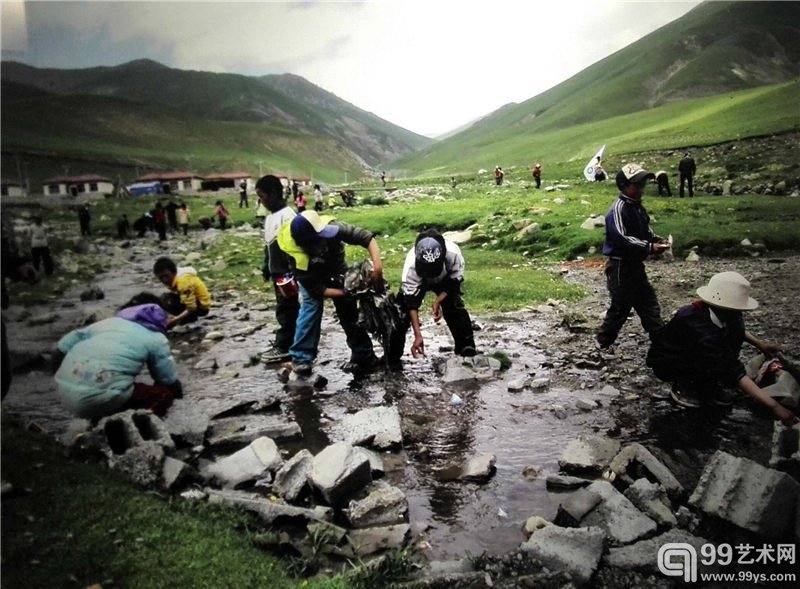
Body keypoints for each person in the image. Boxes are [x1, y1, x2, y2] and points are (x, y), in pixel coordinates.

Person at [647, 272, 798, 426]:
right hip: (670, 361)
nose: (739, 313)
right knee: (712, 365)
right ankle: (688, 387)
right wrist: (775, 406)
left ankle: (710, 382)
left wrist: (760, 344)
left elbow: (734, 331)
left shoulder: (725, 315)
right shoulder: (696, 324)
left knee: (732, 335)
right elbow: (732, 368)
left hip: (699, 352)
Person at [277, 210, 383, 375]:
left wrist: (377, 269)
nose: (323, 243)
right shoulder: (296, 256)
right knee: (311, 307)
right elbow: (318, 291)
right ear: (305, 245)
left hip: (336, 269)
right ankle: (301, 358)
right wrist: (348, 292)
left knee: (348, 311)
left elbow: (367, 238)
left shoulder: (333, 228)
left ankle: (363, 355)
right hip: (312, 277)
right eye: (318, 242)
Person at [52, 293, 182, 419]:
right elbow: (167, 380)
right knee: (163, 395)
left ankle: (96, 422)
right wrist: (179, 402)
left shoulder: (106, 323)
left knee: (108, 384)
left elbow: (61, 348)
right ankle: (140, 428)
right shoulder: (156, 338)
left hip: (65, 394)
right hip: (99, 397)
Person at [596, 164, 670, 350]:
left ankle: (661, 339)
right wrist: (650, 247)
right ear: (624, 185)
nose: (640, 189)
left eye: (642, 184)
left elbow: (645, 231)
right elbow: (622, 238)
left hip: (635, 264)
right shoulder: (618, 209)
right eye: (636, 185)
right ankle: (603, 343)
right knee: (620, 306)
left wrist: (656, 239)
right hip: (620, 266)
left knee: (648, 300)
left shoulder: (638, 208)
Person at [390, 229, 477, 362]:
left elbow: (453, 283)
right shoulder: (411, 267)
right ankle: (393, 354)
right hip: (419, 282)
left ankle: (466, 346)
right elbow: (410, 303)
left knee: (454, 305)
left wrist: (438, 301)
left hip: (445, 280)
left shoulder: (453, 254)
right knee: (400, 312)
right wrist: (418, 335)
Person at [256, 175, 300, 364]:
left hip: (286, 274)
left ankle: (284, 346)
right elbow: (268, 247)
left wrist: (292, 274)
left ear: (273, 194)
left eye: (262, 196)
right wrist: (266, 269)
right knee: (285, 308)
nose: (261, 201)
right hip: (277, 273)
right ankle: (293, 342)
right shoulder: (269, 219)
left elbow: (293, 247)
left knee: (287, 309)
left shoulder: (287, 215)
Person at [153, 257, 212, 329]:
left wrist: (174, 320)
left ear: (173, 272)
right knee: (165, 299)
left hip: (201, 308)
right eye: (161, 278)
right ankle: (187, 318)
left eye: (166, 276)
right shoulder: (179, 275)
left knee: (166, 301)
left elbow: (191, 308)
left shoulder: (183, 282)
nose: (164, 280)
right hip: (198, 303)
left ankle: (188, 319)